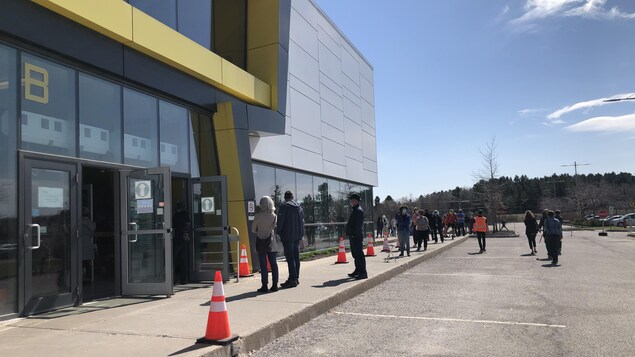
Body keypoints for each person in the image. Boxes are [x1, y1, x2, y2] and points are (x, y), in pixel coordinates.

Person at [276, 191, 305, 288]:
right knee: (296, 257)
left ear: (285, 197)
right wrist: (301, 235)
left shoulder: (284, 207)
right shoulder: (299, 207)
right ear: (292, 197)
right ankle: (296, 277)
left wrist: (279, 232)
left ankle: (292, 279)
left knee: (290, 258)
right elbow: (302, 222)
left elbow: (280, 222)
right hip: (297, 235)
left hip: (287, 236)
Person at [252, 196, 279, 293]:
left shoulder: (257, 216)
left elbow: (253, 229)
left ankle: (264, 285)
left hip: (260, 241)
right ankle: (275, 285)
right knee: (273, 264)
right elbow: (274, 227)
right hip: (271, 241)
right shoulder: (274, 216)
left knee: (263, 265)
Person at [346, 193, 367, 280]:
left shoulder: (358, 211)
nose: (352, 202)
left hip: (356, 236)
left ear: (357, 201)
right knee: (355, 254)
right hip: (353, 235)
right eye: (351, 200)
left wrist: (354, 234)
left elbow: (358, 225)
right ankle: (357, 270)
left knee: (359, 254)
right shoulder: (355, 210)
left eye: (353, 200)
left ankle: (363, 272)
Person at [172, 202, 191, 285]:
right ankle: (183, 279)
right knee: (183, 260)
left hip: (178, 239)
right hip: (184, 239)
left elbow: (174, 225)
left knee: (174, 258)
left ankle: (174, 279)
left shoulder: (178, 215)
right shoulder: (186, 215)